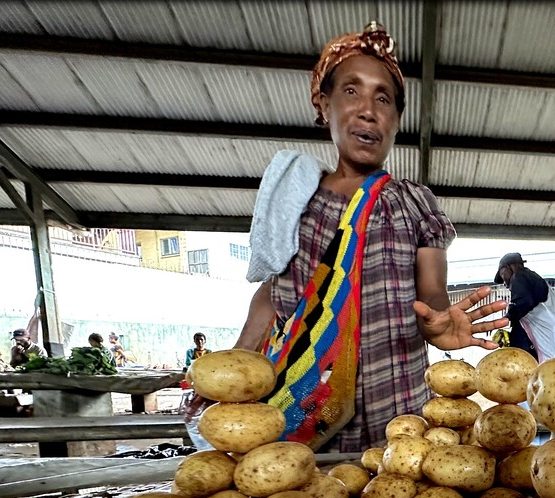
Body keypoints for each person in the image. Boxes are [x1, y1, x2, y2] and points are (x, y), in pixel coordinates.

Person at [214, 22, 506, 453]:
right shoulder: (295, 198)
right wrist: (238, 360)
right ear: (323, 102)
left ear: (395, 120)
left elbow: (432, 291)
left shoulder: (413, 202)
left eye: (383, 98)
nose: (368, 109)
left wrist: (439, 322)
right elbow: (273, 289)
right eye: (352, 91)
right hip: (302, 406)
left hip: (396, 409)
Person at [492, 252, 548, 359]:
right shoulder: (533, 277)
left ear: (509, 267)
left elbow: (522, 303)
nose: (504, 282)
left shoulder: (519, 276)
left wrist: (504, 321)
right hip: (539, 339)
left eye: (502, 274)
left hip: (528, 343)